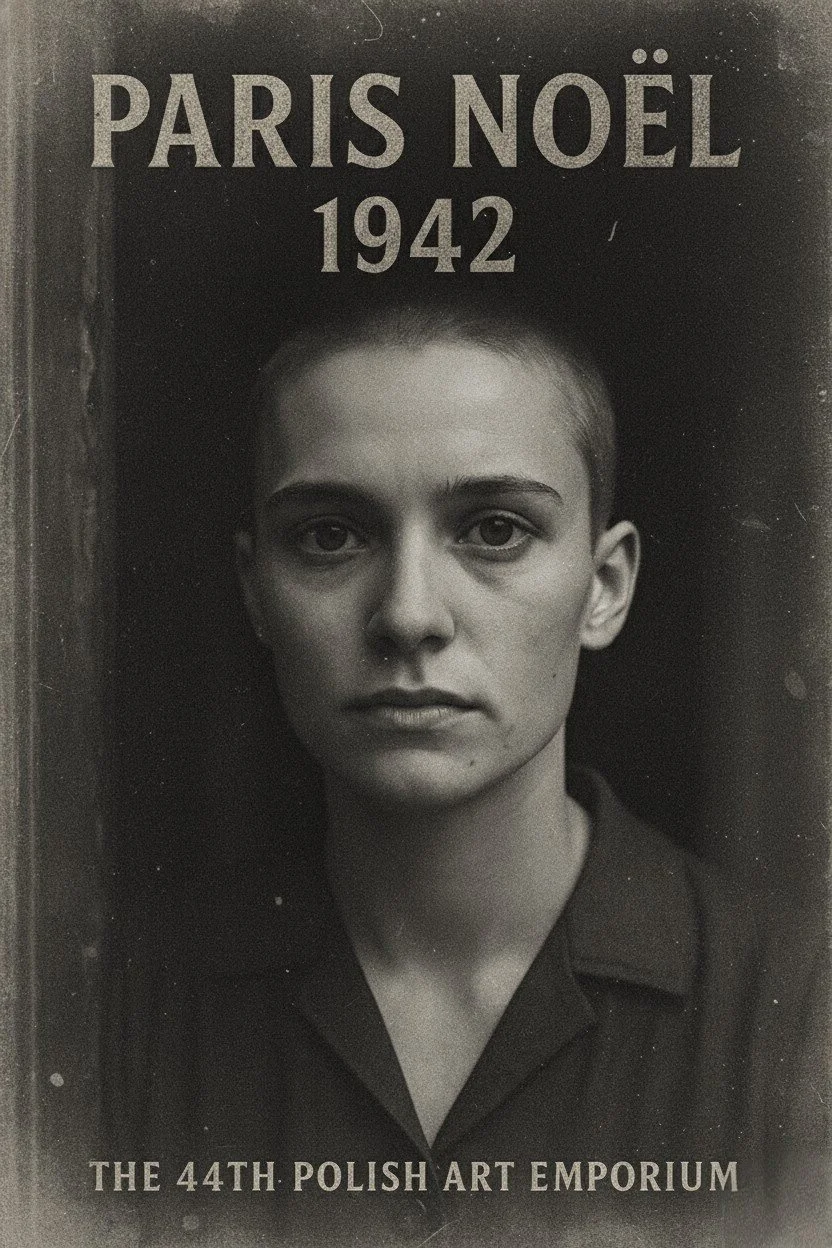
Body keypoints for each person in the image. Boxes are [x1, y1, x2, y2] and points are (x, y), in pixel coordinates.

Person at [103, 297, 826, 1247]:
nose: (408, 615)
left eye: (493, 530)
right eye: (330, 535)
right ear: (255, 592)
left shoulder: (802, 1010)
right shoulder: (108, 1017)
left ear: (604, 587)